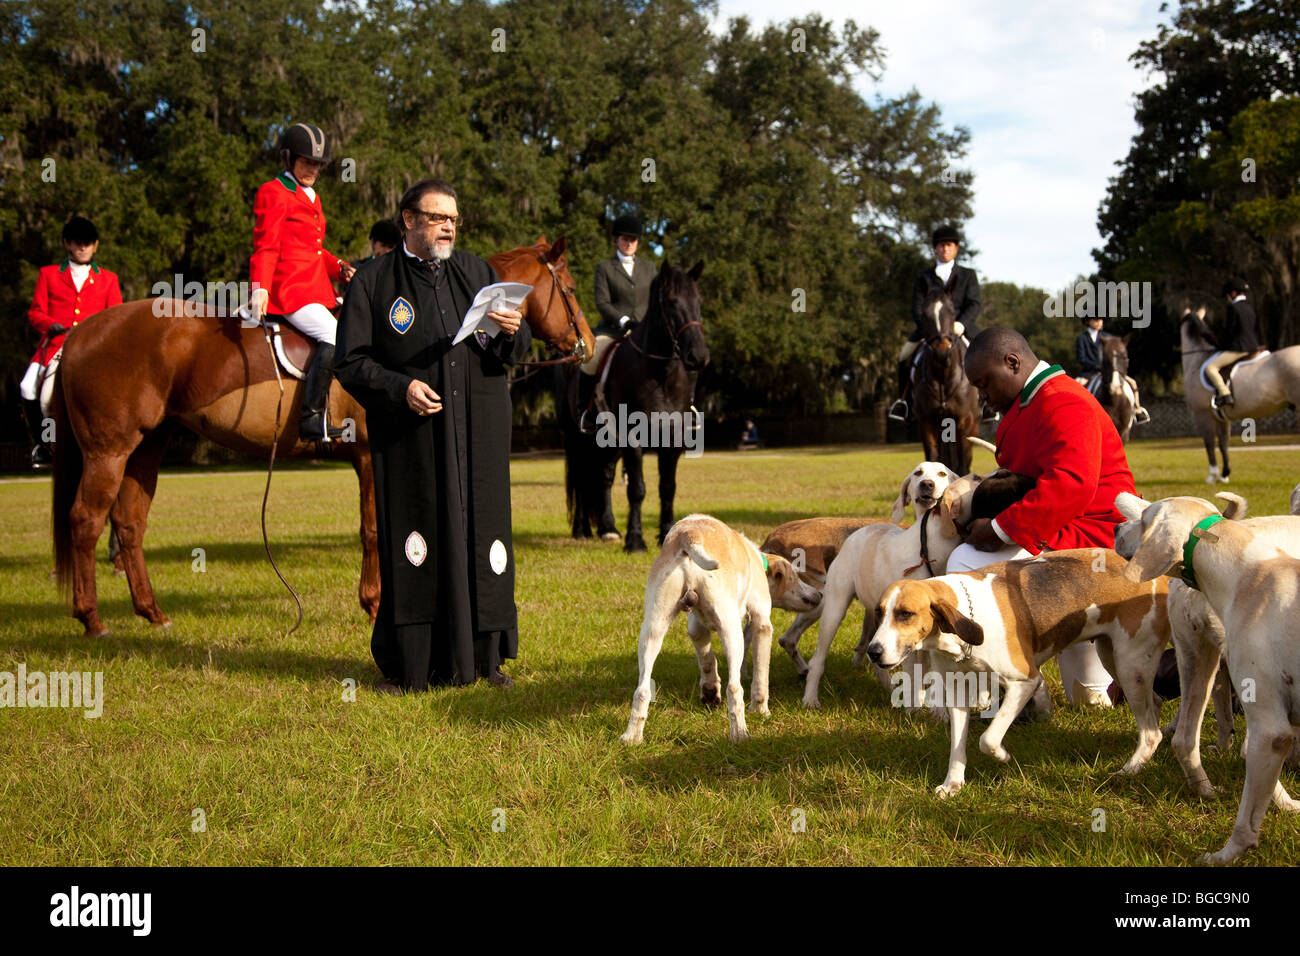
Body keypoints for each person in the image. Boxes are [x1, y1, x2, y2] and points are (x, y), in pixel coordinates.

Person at [333, 178, 531, 693]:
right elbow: (350, 362)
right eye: (437, 217)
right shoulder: (374, 281)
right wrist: (400, 389)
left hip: (479, 435)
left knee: (481, 537)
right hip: (412, 441)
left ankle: (486, 660)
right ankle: (411, 667)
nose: (447, 226)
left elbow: (511, 347)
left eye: (453, 219)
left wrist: (511, 329)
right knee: (416, 541)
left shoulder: (476, 273)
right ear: (408, 219)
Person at [955, 327, 1138, 712]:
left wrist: (998, 529)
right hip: (1068, 524)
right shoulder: (1034, 399)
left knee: (964, 564)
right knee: (1089, 699)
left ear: (1013, 363)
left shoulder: (1062, 400)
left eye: (985, 384)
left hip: (1095, 535)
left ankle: (1002, 694)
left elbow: (1071, 485)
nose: (983, 397)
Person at [248, 121, 357, 441]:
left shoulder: (312, 196)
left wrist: (340, 268)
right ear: (288, 158)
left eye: (318, 164)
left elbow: (313, 250)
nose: (313, 169)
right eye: (307, 162)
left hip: (315, 286)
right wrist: (260, 289)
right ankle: (310, 419)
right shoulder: (274, 191)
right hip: (290, 289)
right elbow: (266, 245)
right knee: (335, 334)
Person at [21, 216, 122, 468]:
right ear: (67, 244)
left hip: (93, 348)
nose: (82, 247)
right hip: (55, 344)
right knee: (28, 389)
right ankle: (44, 446)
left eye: (87, 243)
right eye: (77, 243)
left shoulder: (108, 279)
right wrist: (48, 325)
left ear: (95, 245)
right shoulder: (49, 274)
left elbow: (116, 316)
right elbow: (35, 312)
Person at [889, 226, 982, 422]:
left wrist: (961, 324)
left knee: (984, 355)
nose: (945, 249)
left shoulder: (968, 275)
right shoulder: (924, 277)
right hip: (930, 331)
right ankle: (903, 401)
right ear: (935, 249)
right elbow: (916, 307)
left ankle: (987, 403)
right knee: (904, 356)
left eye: (949, 245)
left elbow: (974, 304)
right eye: (941, 245)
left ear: (956, 248)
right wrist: (929, 329)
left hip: (960, 329)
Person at [577, 212, 655, 433]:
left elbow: (655, 300)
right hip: (613, 330)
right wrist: (624, 321)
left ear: (638, 242)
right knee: (590, 358)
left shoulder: (649, 268)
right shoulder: (605, 267)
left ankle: (687, 406)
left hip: (644, 331)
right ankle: (586, 411)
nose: (629, 243)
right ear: (617, 240)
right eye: (625, 238)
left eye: (633, 239)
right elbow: (602, 302)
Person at [1074, 315, 1150, 424]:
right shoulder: (1082, 339)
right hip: (1090, 372)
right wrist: (1097, 366)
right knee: (1077, 386)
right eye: (1096, 320)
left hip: (1110, 371)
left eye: (1101, 319)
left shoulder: (1109, 337)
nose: (1099, 322)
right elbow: (1081, 359)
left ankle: (1137, 410)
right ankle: (1078, 415)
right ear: (1088, 321)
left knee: (1133, 383)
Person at [1204, 276, 1263, 409]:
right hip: (1253, 346)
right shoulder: (1249, 307)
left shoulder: (1234, 308)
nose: (1227, 298)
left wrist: (1219, 346)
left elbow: (1230, 332)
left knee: (1211, 368)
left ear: (1233, 293)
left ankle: (1225, 394)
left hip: (1239, 348)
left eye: (1227, 295)